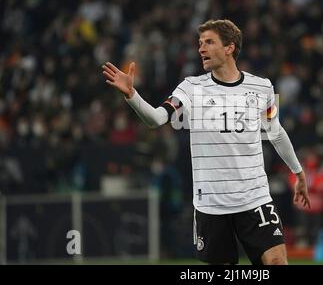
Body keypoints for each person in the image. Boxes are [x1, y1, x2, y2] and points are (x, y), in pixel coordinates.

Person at [101, 19, 311, 265]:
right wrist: (132, 96)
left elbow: (275, 132)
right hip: (211, 206)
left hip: (255, 199)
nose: (201, 48)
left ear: (229, 47)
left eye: (209, 42)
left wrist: (298, 172)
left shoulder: (262, 87)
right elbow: (157, 119)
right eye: (200, 43)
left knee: (276, 262)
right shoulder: (190, 88)